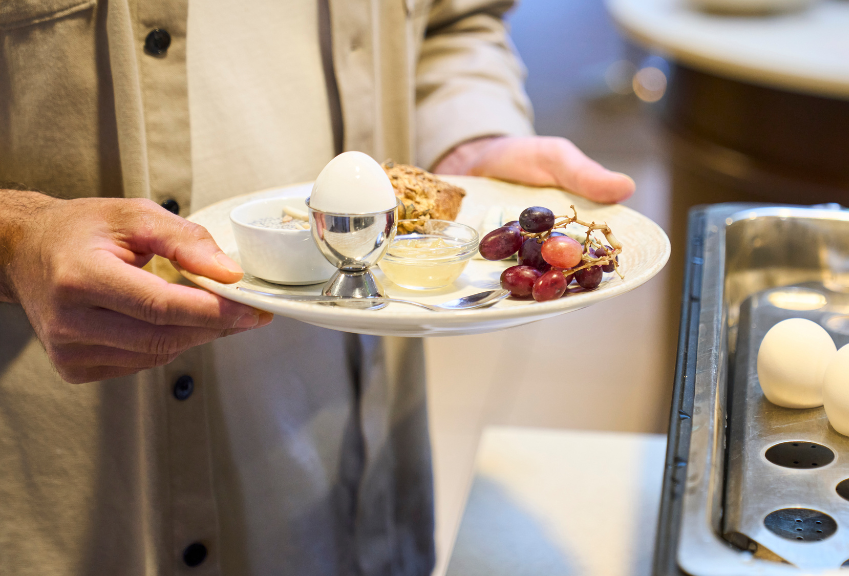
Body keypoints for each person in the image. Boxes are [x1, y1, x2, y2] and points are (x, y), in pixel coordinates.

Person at [0, 1, 634, 574]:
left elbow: (453, 23)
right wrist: (16, 239)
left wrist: (470, 135)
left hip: (359, 460)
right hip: (86, 470)